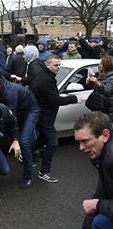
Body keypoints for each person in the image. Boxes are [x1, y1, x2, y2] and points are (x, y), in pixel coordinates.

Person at [29, 54, 84, 183]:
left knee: (42, 139)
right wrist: (74, 98)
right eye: (55, 65)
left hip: (42, 114)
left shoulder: (44, 75)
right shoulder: (47, 79)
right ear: (48, 64)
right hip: (45, 116)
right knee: (53, 144)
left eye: (59, 65)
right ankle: (44, 171)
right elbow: (55, 100)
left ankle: (27, 156)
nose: (58, 68)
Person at [0, 66, 41, 189]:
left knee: (24, 142)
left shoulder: (10, 92)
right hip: (19, 110)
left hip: (31, 111)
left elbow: (11, 118)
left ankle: (28, 177)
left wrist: (15, 139)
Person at [74, 112, 113, 229]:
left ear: (105, 135)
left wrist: (98, 204)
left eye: (85, 141)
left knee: (101, 223)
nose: (81, 148)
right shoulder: (100, 154)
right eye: (78, 142)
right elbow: (104, 189)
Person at [85, 55, 113, 120]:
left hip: (108, 109)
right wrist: (89, 82)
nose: (99, 65)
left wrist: (97, 82)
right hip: (100, 106)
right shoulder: (102, 75)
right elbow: (97, 88)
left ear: (106, 65)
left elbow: (107, 90)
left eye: (101, 64)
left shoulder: (111, 77)